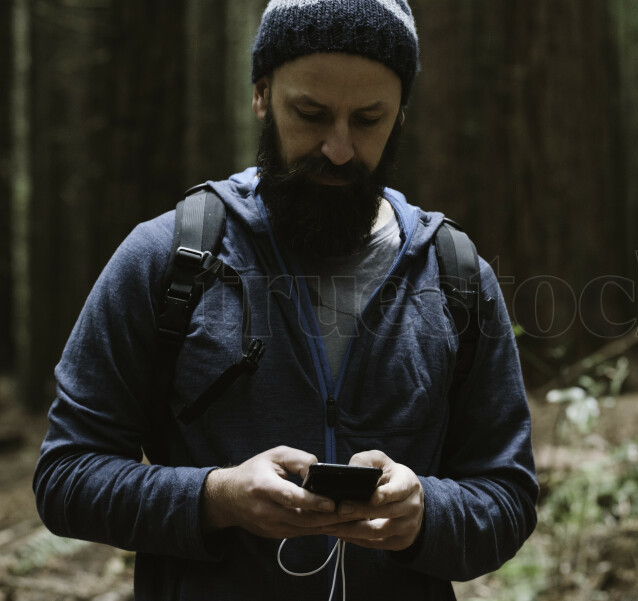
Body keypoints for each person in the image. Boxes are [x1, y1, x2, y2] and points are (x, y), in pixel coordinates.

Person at [33, 1, 538, 600]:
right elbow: (65, 479)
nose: (340, 148)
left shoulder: (455, 274)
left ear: (401, 115)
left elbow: (507, 495)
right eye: (311, 113)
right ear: (261, 96)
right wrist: (217, 497)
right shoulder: (167, 256)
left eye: (370, 119)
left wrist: (426, 512)